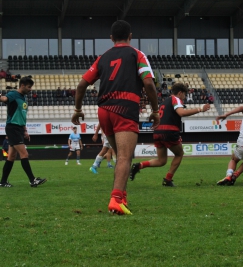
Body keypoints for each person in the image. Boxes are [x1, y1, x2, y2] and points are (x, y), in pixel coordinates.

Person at [71, 20, 160, 215]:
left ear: (111, 38)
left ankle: (122, 197)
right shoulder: (137, 54)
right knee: (125, 157)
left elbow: (80, 86)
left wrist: (77, 110)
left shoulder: (102, 58)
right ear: (130, 36)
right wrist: (155, 110)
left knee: (121, 156)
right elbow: (149, 84)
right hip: (125, 107)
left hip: (104, 111)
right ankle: (116, 199)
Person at [130, 83, 210, 187]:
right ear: (180, 93)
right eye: (184, 95)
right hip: (169, 131)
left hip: (158, 131)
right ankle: (168, 179)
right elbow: (181, 113)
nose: (184, 98)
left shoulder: (164, 102)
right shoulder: (175, 99)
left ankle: (139, 165)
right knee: (179, 154)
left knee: (161, 161)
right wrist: (200, 109)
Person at [0, 77, 46, 187]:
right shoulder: (13, 94)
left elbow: (22, 116)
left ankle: (3, 182)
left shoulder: (23, 98)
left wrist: (25, 130)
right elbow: (4, 99)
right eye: (29, 87)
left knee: (11, 157)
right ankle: (32, 180)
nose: (31, 89)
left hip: (19, 128)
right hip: (13, 128)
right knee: (24, 153)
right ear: (22, 85)